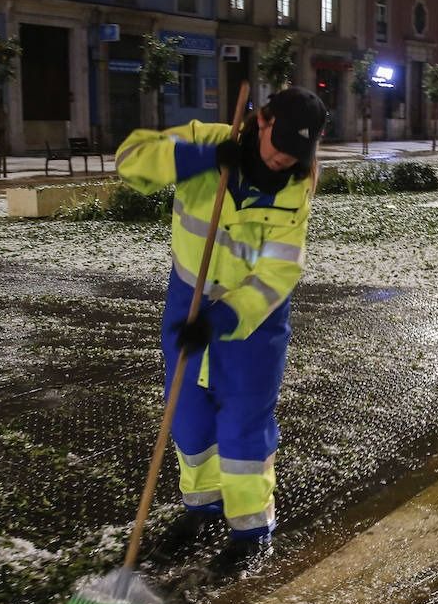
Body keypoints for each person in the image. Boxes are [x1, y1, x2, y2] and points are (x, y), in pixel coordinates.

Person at [115, 87, 327, 574]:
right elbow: (131, 162)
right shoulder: (210, 140)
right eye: (278, 145)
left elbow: (279, 271)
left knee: (242, 427)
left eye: (296, 154)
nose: (281, 160)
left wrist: (225, 317)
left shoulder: (295, 185)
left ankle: (251, 528)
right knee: (187, 416)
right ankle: (202, 507)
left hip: (251, 322)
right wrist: (202, 158)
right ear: (263, 120)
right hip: (186, 300)